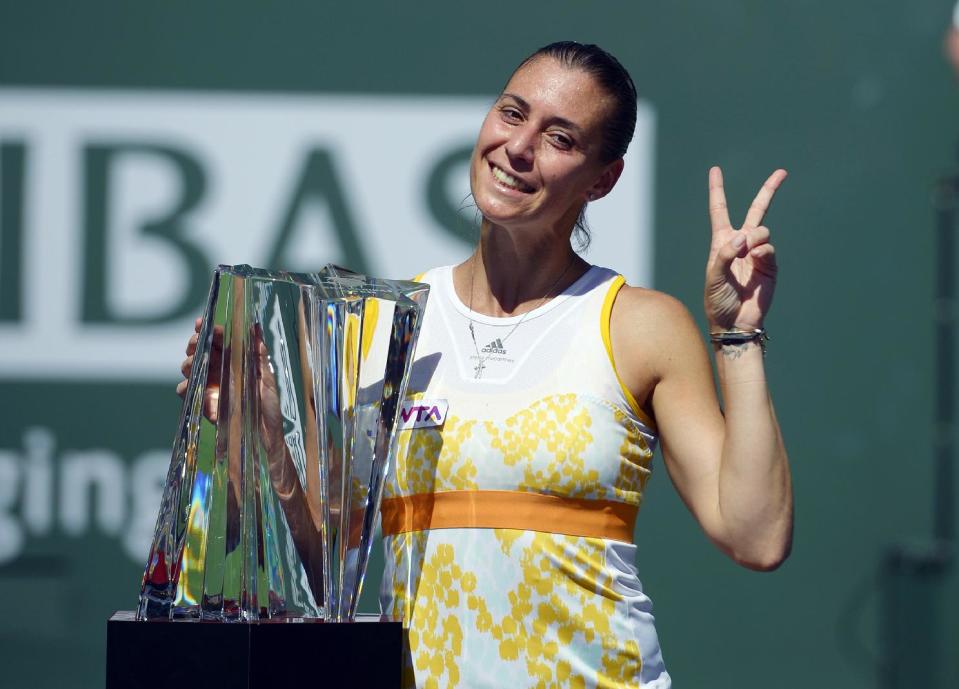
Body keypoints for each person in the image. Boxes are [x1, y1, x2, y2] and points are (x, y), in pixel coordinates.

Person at [180, 41, 792, 689]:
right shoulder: (389, 325)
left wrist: (736, 335)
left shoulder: (640, 325)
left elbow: (754, 536)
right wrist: (265, 430)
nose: (518, 148)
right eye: (511, 113)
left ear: (602, 179)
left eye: (558, 137)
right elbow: (318, 569)